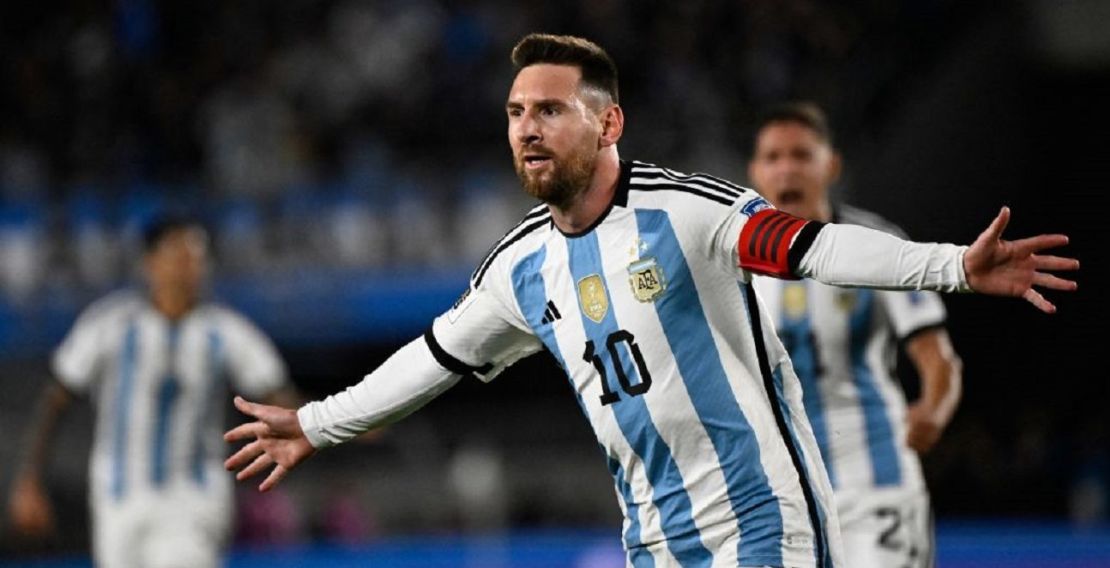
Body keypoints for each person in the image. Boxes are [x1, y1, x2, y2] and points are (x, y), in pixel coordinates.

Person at [223, 34, 1077, 568]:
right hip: (655, 545)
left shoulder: (690, 212)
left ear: (609, 124)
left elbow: (815, 249)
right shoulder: (521, 269)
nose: (525, 128)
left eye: (550, 110)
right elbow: (431, 359)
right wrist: (317, 423)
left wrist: (950, 268)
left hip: (762, 530)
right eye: (518, 111)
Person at [8, 215, 294, 568]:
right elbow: (57, 400)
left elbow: (280, 399)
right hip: (118, 495)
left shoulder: (228, 332)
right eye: (180, 255)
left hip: (194, 497)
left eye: (198, 257)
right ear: (151, 263)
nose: (191, 267)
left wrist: (343, 416)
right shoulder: (110, 324)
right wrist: (29, 480)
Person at [748, 102, 961, 567]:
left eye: (802, 155)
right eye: (774, 157)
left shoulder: (876, 243)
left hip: (875, 485)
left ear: (831, 165)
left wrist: (934, 407)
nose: (788, 169)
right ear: (755, 172)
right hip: (780, 496)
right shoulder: (734, 263)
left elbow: (936, 355)